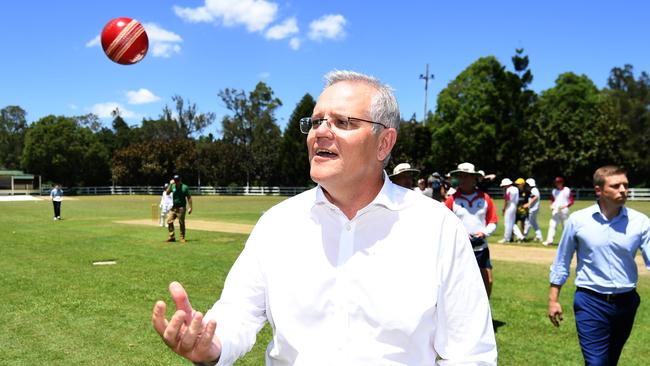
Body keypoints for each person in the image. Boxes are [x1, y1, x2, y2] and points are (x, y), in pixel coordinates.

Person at [152, 70, 497, 365]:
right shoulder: (278, 224)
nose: (321, 131)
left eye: (342, 122)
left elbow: (470, 353)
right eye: (316, 121)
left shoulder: (436, 227)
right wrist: (212, 345)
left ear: (384, 143)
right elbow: (239, 311)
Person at [548, 165, 650, 365]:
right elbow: (562, 260)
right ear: (599, 190)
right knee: (596, 363)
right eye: (616, 185)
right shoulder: (578, 221)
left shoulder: (641, 222)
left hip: (626, 303)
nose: (623, 190)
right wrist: (553, 299)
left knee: (610, 360)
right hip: (590, 301)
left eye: (625, 185)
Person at [445, 162, 499, 298]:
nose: (462, 180)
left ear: (474, 178)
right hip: (460, 249)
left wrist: (484, 233)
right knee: (461, 283)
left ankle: (484, 314)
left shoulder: (485, 198)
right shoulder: (452, 200)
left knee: (488, 281)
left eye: (466, 176)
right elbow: (445, 224)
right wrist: (459, 234)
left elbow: (493, 220)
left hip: (481, 248)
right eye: (460, 176)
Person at [543, 176, 574, 246]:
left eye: (559, 182)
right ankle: (549, 241)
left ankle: (568, 242)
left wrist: (565, 206)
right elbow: (553, 200)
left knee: (566, 226)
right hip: (556, 210)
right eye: (556, 183)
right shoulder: (554, 191)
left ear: (562, 182)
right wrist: (551, 206)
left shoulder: (567, 190)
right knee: (552, 225)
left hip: (564, 210)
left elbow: (571, 201)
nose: (557, 184)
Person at [165, 174, 193, 243]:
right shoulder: (173, 186)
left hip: (181, 208)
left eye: (178, 181)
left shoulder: (185, 187)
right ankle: (172, 237)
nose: (176, 182)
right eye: (175, 181)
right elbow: (167, 193)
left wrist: (190, 207)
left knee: (181, 223)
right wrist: (170, 184)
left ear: (180, 180)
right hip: (174, 208)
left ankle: (182, 238)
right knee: (169, 220)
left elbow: (189, 198)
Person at [498, 178, 523, 243]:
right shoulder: (515, 188)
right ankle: (520, 236)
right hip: (515, 206)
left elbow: (507, 200)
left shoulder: (508, 190)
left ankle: (506, 238)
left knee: (507, 223)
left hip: (509, 206)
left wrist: (504, 209)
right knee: (512, 223)